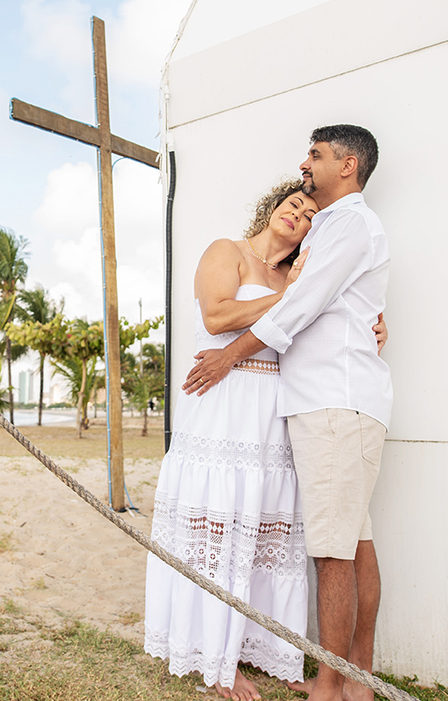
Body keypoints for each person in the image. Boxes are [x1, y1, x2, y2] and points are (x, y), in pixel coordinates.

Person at [184, 124, 391, 701]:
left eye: (316, 155)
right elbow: (331, 305)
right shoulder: (335, 227)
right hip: (337, 401)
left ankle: (332, 686)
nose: (306, 164)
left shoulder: (349, 224)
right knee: (352, 542)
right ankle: (356, 681)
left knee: (332, 552)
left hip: (333, 402)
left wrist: (229, 357)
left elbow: (299, 307)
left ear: (347, 165)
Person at [145, 178, 319, 701]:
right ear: (273, 208)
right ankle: (219, 661)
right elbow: (217, 314)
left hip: (271, 412)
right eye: (293, 204)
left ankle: (270, 649)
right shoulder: (228, 252)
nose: (298, 214)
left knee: (265, 530)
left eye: (310, 214)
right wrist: (289, 298)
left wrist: (377, 327)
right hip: (221, 401)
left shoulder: (299, 276)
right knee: (218, 525)